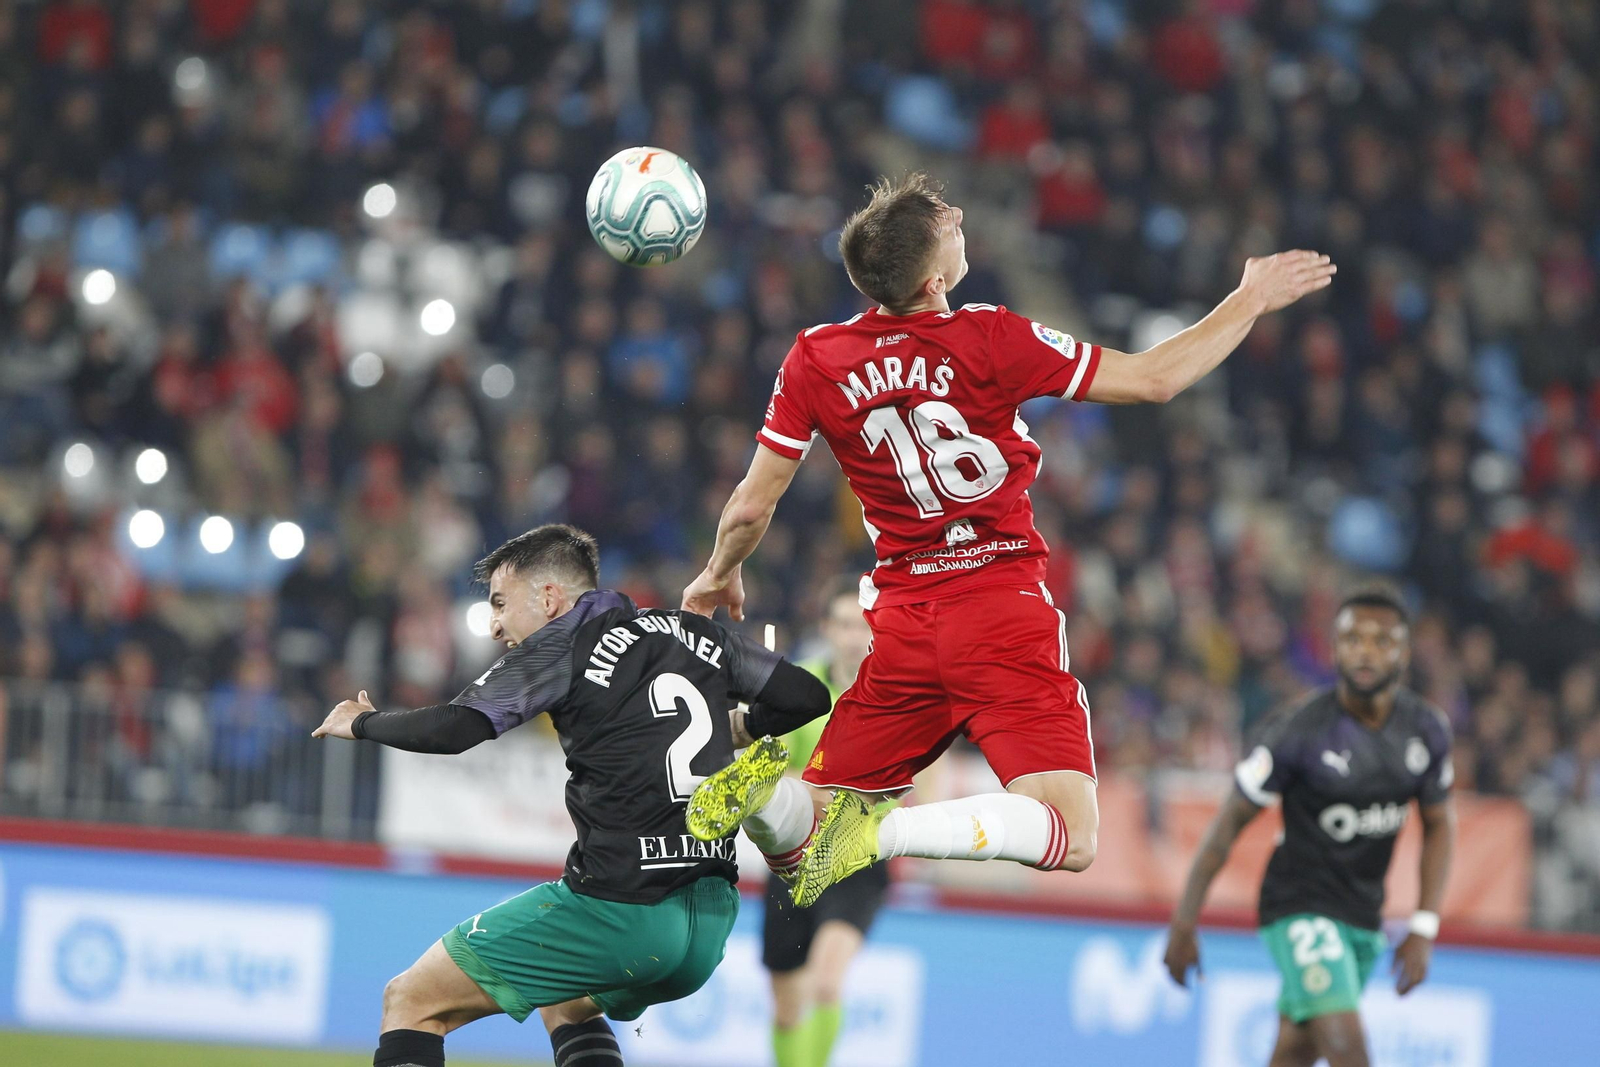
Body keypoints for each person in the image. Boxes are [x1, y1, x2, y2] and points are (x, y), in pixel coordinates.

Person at [680, 172, 1337, 906]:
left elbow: (749, 506)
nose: (960, 215)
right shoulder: (992, 335)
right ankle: (886, 834)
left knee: (812, 854)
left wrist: (717, 573)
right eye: (947, 223)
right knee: (1072, 833)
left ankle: (765, 794)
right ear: (933, 277)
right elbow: (1154, 380)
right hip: (1000, 607)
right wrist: (1249, 297)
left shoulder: (815, 355)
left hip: (902, 621)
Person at [312, 524, 830, 1067]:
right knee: (567, 999)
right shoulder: (691, 632)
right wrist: (743, 723)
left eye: (500, 603)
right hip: (708, 922)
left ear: (550, 598)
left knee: (412, 1000)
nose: (494, 625)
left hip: (621, 910)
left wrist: (364, 722)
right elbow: (807, 696)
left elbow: (456, 728)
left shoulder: (563, 644)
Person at [1162, 588, 1457, 1067]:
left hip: (1363, 915)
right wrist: (1183, 922)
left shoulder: (1427, 730)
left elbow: (1440, 824)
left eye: (1382, 641)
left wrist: (1424, 924)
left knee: (1297, 1049)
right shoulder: (1299, 731)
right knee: (1346, 1047)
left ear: (1404, 652)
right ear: (1334, 648)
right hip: (1297, 905)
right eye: (1352, 639)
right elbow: (1227, 825)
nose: (1366, 650)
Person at [759, 584, 887, 1067]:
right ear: (828, 631)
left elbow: (918, 775)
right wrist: (820, 787)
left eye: (864, 626)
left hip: (860, 855)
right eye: (845, 625)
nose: (855, 637)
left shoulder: (894, 691)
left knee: (828, 982)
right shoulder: (798, 689)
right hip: (793, 858)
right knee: (788, 1008)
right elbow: (768, 769)